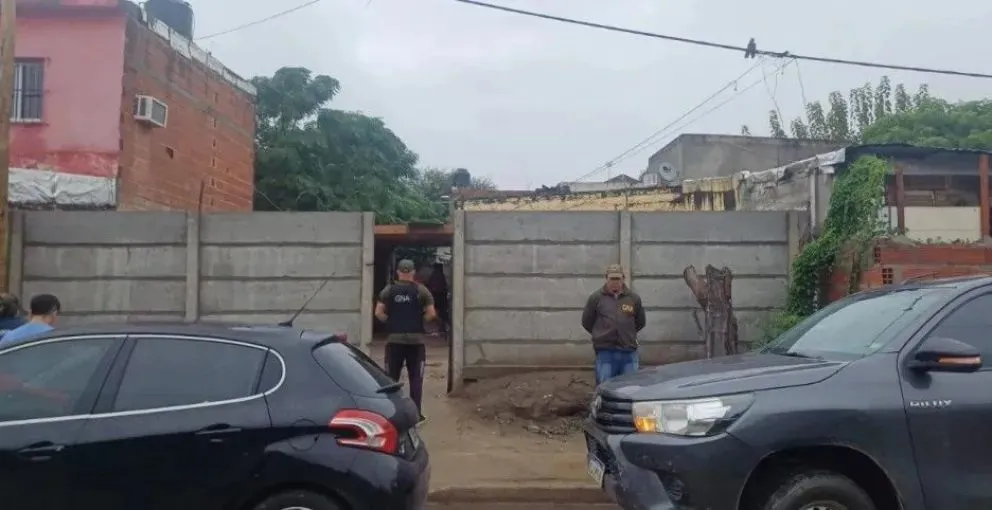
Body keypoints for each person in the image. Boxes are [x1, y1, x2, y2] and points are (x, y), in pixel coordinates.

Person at [375, 259, 436, 418]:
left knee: (391, 380)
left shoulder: (388, 290)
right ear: (413, 272)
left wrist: (391, 321)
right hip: (416, 342)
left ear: (398, 272)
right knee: (416, 379)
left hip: (394, 341)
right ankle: (416, 415)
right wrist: (419, 321)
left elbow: (378, 313)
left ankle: (392, 413)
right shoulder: (421, 290)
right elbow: (431, 314)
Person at [581, 264, 645, 385]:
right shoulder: (596, 298)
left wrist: (627, 333)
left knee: (630, 387)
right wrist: (601, 334)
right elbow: (587, 322)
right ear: (606, 278)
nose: (615, 282)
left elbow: (640, 322)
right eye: (612, 279)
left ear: (623, 278)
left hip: (628, 352)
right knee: (605, 386)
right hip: (605, 352)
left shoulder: (633, 298)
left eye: (618, 278)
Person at [425, 262, 449, 333]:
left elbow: (429, 285)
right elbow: (444, 287)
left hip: (436, 297)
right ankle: (442, 327)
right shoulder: (440, 275)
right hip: (440, 297)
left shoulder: (434, 275)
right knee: (441, 313)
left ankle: (441, 327)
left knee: (437, 313)